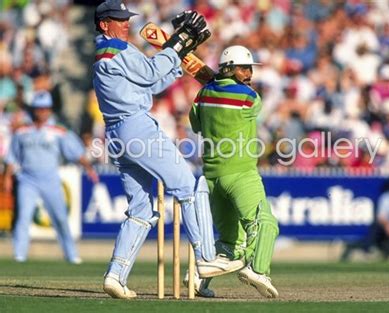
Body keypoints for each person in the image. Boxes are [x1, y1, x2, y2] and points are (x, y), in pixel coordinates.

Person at [92, 1, 243, 299]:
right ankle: (206, 259)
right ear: (103, 24)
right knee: (189, 186)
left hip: (118, 134)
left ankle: (115, 275)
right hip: (136, 127)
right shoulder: (114, 49)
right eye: (118, 19)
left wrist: (178, 56)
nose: (125, 24)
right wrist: (175, 46)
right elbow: (150, 73)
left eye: (126, 19)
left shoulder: (110, 53)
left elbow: (151, 83)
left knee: (141, 209)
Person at [189, 45, 280, 298]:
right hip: (241, 173)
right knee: (265, 224)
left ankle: (197, 279)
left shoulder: (202, 95)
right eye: (243, 68)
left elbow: (195, 124)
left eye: (250, 68)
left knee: (230, 243)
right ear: (229, 69)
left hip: (212, 178)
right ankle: (258, 270)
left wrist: (213, 86)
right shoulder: (249, 97)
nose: (249, 73)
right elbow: (253, 106)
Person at [3, 90, 99, 264]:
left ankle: (71, 255)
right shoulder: (22, 131)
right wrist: (8, 177)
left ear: (50, 110)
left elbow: (75, 152)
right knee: (23, 217)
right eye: (39, 108)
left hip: (50, 179)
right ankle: (19, 254)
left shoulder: (58, 131)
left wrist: (89, 168)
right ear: (34, 109)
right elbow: (12, 157)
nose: (42, 112)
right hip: (27, 179)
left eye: (45, 108)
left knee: (60, 217)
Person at [340, 178, 389, 261]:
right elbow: (381, 216)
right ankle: (369, 250)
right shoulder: (386, 197)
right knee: (376, 227)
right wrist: (388, 226)